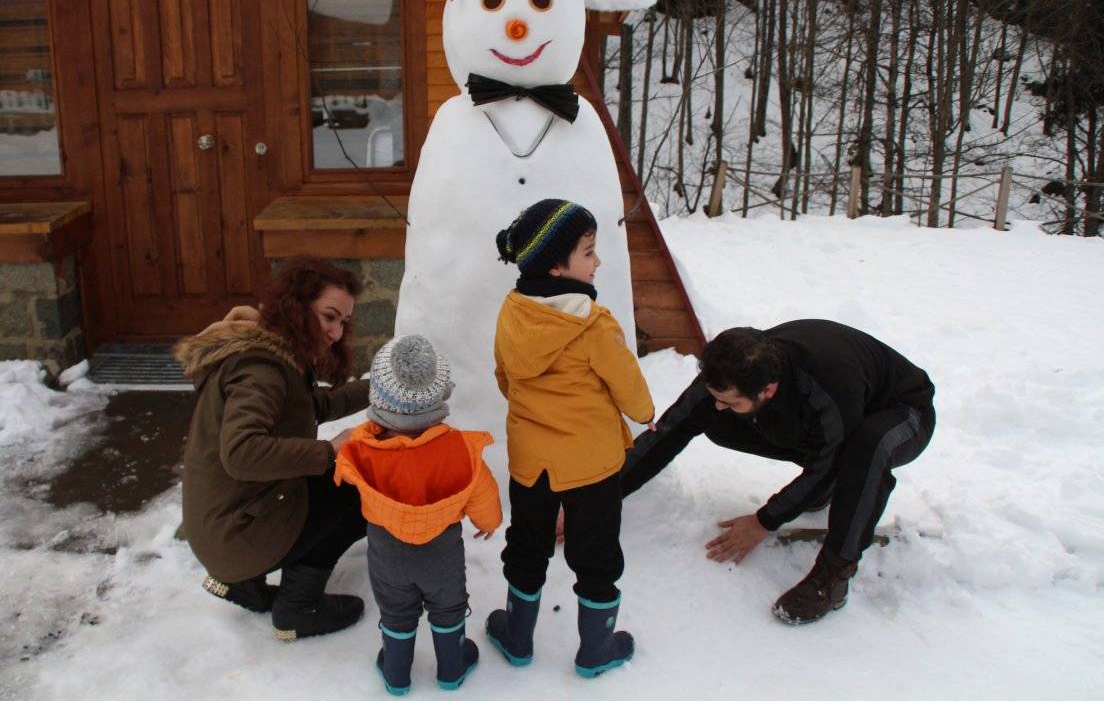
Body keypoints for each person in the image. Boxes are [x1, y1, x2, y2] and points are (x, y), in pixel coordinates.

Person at [621, 320, 936, 624]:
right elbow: (668, 433)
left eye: (728, 400)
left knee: (865, 449)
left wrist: (764, 521)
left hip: (904, 411)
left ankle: (833, 575)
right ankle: (820, 487)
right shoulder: (731, 368)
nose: (717, 404)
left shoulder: (827, 385)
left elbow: (830, 461)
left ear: (768, 390)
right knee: (720, 423)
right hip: (838, 417)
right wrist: (598, 498)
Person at [486, 199, 655, 678]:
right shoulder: (593, 323)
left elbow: (504, 374)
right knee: (595, 550)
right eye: (588, 252)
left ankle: (517, 637)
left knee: (527, 543)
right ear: (557, 265)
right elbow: (629, 388)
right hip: (593, 464)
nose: (597, 261)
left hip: (530, 461)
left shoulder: (513, 311)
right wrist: (645, 414)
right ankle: (596, 649)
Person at [174, 259, 371, 641]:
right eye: (329, 316)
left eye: (343, 322)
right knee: (359, 490)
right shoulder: (261, 368)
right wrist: (330, 450)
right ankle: (300, 609)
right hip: (233, 533)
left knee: (329, 479)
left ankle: (242, 584)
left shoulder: (271, 350)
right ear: (296, 307)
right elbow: (242, 452)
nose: (334, 332)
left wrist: (378, 389)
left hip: (223, 522)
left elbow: (310, 407)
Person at [335, 334, 502, 695]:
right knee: (448, 607)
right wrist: (488, 522)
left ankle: (396, 675)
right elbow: (482, 491)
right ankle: (451, 669)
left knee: (396, 611)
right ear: (438, 397)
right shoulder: (459, 448)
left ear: (378, 397)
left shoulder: (362, 448)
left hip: (386, 551)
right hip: (441, 553)